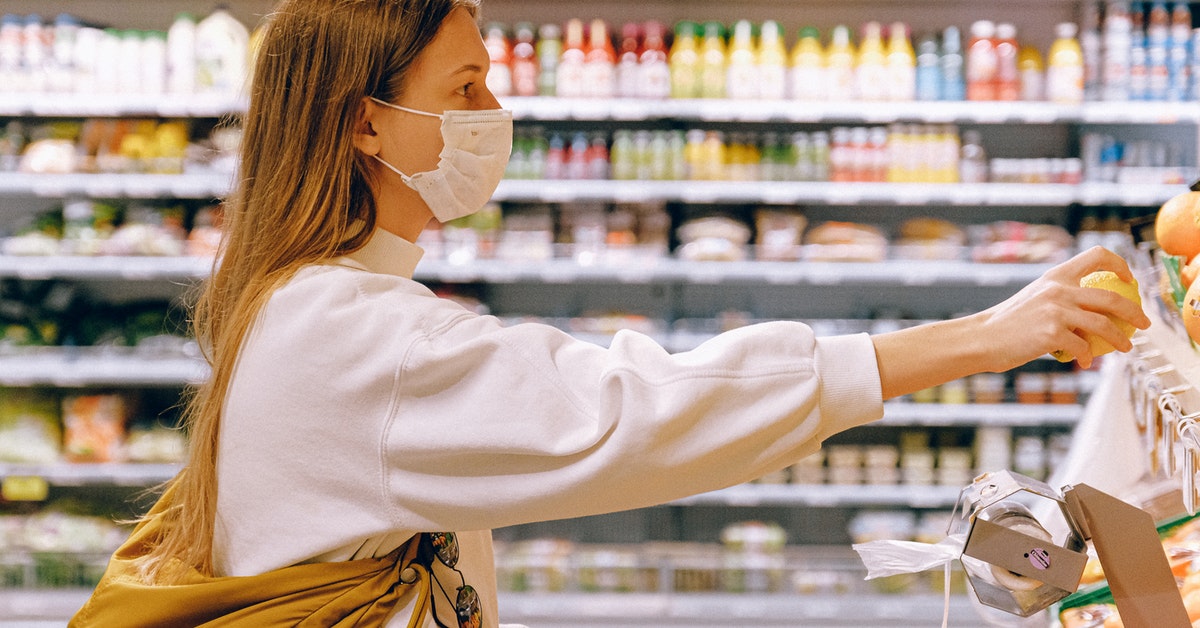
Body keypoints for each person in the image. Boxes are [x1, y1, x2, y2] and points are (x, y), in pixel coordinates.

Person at [71, 1, 1150, 627]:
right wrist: (985, 336)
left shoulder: (305, 296)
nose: (497, 114)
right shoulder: (352, 334)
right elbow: (633, 409)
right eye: (465, 91)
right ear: (364, 124)